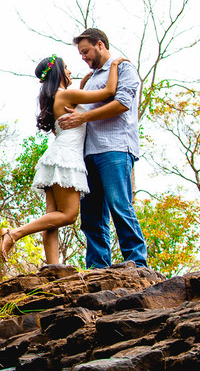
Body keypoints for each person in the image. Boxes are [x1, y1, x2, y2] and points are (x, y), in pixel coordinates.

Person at [0, 52, 127, 264]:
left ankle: (53, 269)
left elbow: (82, 95)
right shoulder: (67, 96)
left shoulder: (56, 97)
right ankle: (14, 233)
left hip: (55, 156)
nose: (69, 71)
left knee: (51, 218)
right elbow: (110, 91)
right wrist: (114, 64)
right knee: (68, 215)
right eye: (66, 67)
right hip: (67, 158)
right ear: (58, 71)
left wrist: (86, 80)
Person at [56, 28, 149, 268]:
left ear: (100, 45)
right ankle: (97, 267)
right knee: (91, 215)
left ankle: (137, 263)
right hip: (88, 153)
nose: (83, 57)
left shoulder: (124, 68)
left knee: (119, 204)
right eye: (80, 54)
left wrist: (82, 118)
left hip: (115, 148)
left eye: (86, 51)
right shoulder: (91, 79)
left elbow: (121, 104)